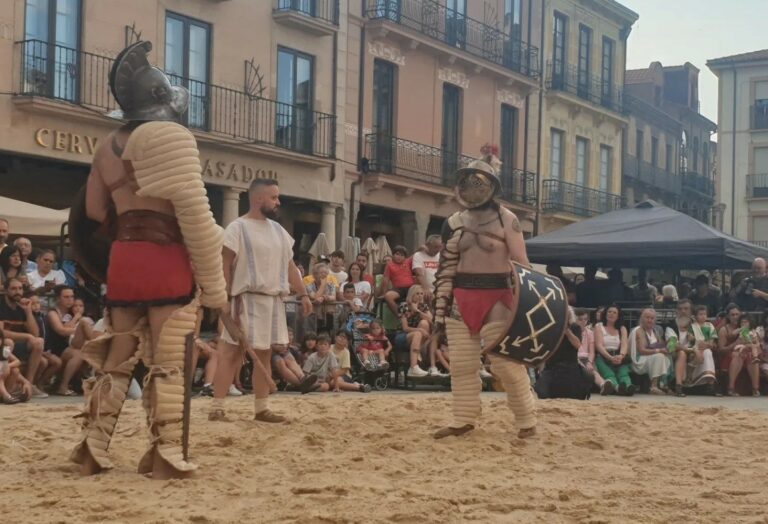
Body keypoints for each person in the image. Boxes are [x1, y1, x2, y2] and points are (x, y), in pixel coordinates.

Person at [69, 41, 228, 479]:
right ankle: (164, 457)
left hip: (123, 260)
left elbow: (96, 212)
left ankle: (91, 449)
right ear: (162, 102)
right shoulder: (170, 136)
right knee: (168, 362)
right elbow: (192, 213)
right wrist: (215, 287)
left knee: (116, 362)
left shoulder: (105, 147)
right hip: (165, 259)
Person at [432, 150, 536, 440]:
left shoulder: (508, 220)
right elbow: (446, 266)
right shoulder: (453, 223)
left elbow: (521, 264)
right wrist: (439, 309)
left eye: (480, 184)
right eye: (470, 184)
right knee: (462, 364)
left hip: (498, 297)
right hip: (461, 297)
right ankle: (463, 419)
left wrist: (525, 303)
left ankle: (527, 420)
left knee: (504, 362)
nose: (474, 189)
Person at [211, 178, 311, 423]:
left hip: (272, 301)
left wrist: (304, 293)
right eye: (274, 197)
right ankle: (217, 407)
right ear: (258, 199)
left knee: (265, 355)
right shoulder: (237, 227)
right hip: (246, 298)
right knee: (231, 353)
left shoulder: (278, 231)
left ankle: (261, 409)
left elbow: (289, 267)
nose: (278, 202)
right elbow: (224, 263)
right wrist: (223, 296)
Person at [0, 278, 47, 398]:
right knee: (8, 342)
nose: (18, 292)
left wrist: (28, 312)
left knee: (39, 342)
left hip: (19, 345)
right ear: (6, 290)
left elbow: (35, 333)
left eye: (20, 288)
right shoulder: (1, 304)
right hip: (4, 343)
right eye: (14, 289)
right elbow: (1, 332)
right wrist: (26, 336)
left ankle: (29, 383)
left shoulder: (21, 306)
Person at [665, 300, 717, 397]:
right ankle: (678, 386)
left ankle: (710, 386)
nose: (683, 311)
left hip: (694, 354)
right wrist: (693, 350)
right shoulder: (671, 326)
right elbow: (673, 346)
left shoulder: (697, 325)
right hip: (676, 355)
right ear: (676, 311)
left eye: (686, 309)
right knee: (682, 353)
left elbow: (704, 342)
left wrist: (705, 345)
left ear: (691, 311)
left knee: (707, 352)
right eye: (680, 309)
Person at [534, 323, 592, 400]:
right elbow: (544, 349)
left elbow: (577, 345)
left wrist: (567, 332)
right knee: (542, 392)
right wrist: (541, 369)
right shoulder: (549, 326)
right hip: (551, 367)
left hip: (571, 366)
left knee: (588, 378)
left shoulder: (575, 327)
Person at [717, 304, 760, 396]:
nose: (735, 317)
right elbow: (721, 350)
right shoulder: (724, 330)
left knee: (751, 356)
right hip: (730, 356)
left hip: (747, 354)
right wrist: (735, 343)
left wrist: (753, 345)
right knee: (738, 355)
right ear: (728, 316)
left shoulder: (748, 329)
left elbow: (758, 348)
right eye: (732, 315)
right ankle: (731, 388)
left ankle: (755, 388)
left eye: (737, 314)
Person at [629, 308, 671, 394]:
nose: (649, 320)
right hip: (638, 360)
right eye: (647, 317)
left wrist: (669, 345)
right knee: (659, 356)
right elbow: (642, 350)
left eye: (652, 318)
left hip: (650, 357)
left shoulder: (655, 331)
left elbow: (661, 344)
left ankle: (665, 385)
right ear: (642, 318)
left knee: (669, 356)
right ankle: (654, 386)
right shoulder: (638, 331)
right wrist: (659, 350)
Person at [594, 305, 632, 395]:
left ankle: (628, 387)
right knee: (609, 373)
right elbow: (599, 345)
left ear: (618, 316)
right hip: (603, 356)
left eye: (615, 312)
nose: (611, 314)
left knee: (623, 372)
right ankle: (616, 387)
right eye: (609, 312)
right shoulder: (599, 327)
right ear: (605, 314)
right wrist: (610, 357)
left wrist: (621, 356)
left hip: (618, 356)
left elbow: (624, 344)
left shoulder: (622, 328)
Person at [398, 284, 432, 378]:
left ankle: (418, 353)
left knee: (425, 322)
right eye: (417, 293)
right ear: (411, 294)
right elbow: (405, 328)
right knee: (418, 333)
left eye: (421, 293)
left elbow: (431, 320)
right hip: (404, 336)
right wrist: (420, 330)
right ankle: (413, 367)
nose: (420, 296)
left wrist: (417, 311)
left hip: (419, 337)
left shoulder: (423, 306)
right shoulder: (404, 306)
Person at [575, 308, 607, 394]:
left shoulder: (589, 333)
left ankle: (603, 385)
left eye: (585, 319)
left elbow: (592, 351)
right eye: (580, 319)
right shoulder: (571, 333)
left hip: (586, 358)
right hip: (574, 358)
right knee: (583, 369)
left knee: (592, 370)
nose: (583, 322)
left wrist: (589, 361)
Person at [380, 246, 414, 315]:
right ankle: (400, 316)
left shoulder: (407, 262)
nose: (399, 257)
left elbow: (415, 254)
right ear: (393, 255)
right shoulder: (390, 265)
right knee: (388, 296)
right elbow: (385, 279)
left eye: (402, 255)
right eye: (397, 254)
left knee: (420, 295)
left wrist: (422, 248)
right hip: (398, 289)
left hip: (411, 288)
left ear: (405, 257)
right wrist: (384, 293)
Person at [0, 330, 32, 404]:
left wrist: (25, 382)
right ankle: (6, 395)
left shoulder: (3, 350)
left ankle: (6, 394)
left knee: (15, 370)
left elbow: (17, 361)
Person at [412, 235, 442, 302]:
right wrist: (426, 288)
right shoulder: (418, 255)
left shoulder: (441, 255)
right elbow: (419, 274)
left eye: (440, 247)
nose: (438, 250)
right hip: (424, 288)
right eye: (435, 247)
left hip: (439, 289)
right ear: (427, 245)